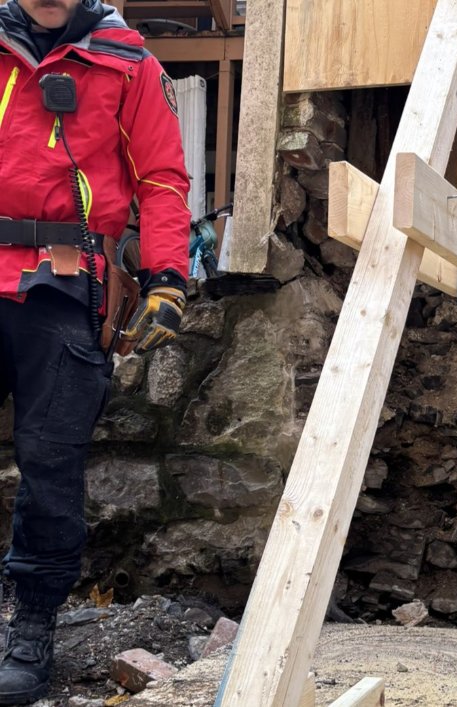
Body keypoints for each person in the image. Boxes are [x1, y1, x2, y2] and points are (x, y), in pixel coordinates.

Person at [0, 0, 190, 701]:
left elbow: (162, 177)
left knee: (52, 467)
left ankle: (33, 627)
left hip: (69, 284)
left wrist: (168, 275)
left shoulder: (129, 61)